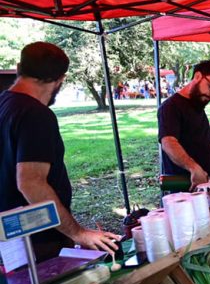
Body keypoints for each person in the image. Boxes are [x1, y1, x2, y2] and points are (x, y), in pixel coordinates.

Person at [0, 42, 121, 261]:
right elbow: (30, 183)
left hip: (10, 239)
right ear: (60, 80)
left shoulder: (4, 105)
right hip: (37, 241)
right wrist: (78, 233)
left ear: (19, 68)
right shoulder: (35, 114)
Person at [158, 60, 210, 190]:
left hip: (207, 184)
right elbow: (168, 142)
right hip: (186, 187)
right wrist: (194, 168)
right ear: (197, 76)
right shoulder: (171, 107)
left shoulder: (197, 103)